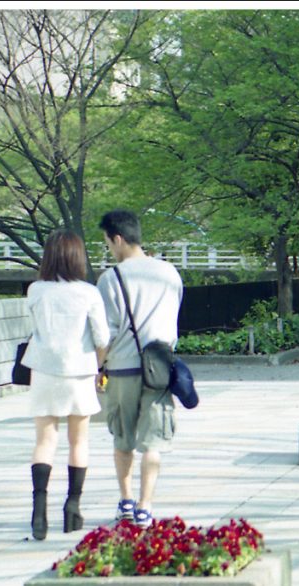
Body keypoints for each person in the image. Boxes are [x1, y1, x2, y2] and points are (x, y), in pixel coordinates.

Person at [95, 210, 183, 528]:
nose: (109, 249)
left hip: (121, 369)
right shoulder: (170, 273)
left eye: (107, 242)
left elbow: (105, 333)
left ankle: (126, 501)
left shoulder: (110, 279)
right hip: (159, 368)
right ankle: (146, 506)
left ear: (117, 239)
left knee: (122, 438)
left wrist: (99, 366)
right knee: (153, 441)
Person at [21, 229, 110, 540]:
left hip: (43, 372)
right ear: (77, 257)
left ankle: (38, 511)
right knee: (78, 442)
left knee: (44, 442)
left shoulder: (35, 291)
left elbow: (30, 328)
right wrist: (100, 366)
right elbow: (102, 338)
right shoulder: (88, 293)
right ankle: (72, 508)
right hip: (80, 372)